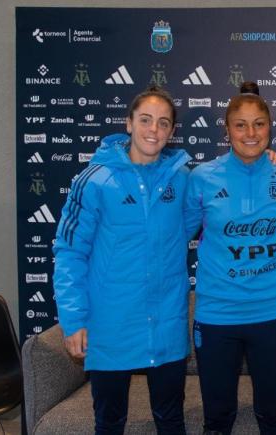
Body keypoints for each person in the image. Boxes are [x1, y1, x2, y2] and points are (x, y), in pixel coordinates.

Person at [53, 86, 191, 434]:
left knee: (172, 420)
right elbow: (70, 253)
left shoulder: (184, 179)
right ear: (128, 123)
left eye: (163, 123)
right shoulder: (95, 180)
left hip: (166, 324)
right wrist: (73, 320)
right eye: (145, 120)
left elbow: (218, 204)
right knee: (110, 422)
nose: (153, 130)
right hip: (111, 324)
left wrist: (269, 159)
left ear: (172, 132)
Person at [184, 92, 276, 435]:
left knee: (273, 418)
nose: (250, 133)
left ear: (270, 128)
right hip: (216, 317)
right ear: (227, 130)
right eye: (240, 125)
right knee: (218, 420)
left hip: (271, 315)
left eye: (258, 124)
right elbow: (175, 237)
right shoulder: (203, 177)